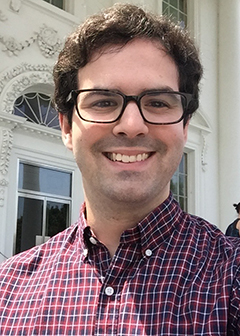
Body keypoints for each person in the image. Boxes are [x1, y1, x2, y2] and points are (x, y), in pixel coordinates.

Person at [0, 3, 240, 335]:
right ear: (67, 128)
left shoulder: (232, 279)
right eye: (103, 102)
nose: (131, 125)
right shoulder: (8, 291)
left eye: (157, 102)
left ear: (184, 127)